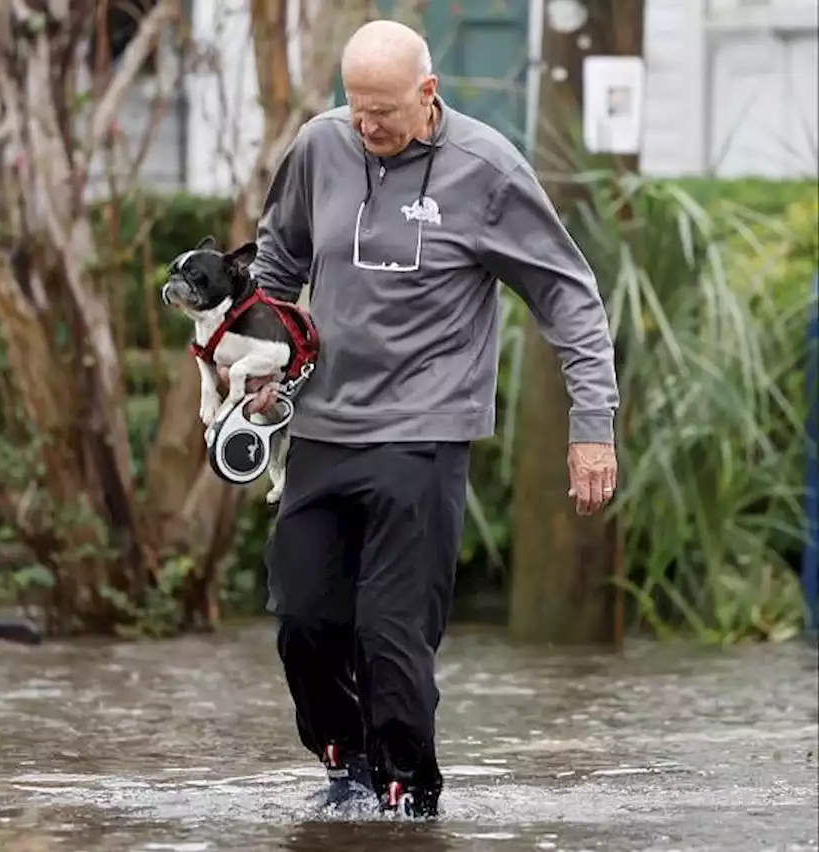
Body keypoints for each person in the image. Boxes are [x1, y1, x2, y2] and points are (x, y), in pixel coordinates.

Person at [231, 21, 621, 816]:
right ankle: (344, 762)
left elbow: (568, 295)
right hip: (321, 428)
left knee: (391, 634)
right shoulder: (319, 148)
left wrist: (593, 427)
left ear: (428, 94)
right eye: (355, 108)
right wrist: (257, 358)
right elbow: (276, 265)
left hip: (424, 435)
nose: (367, 126)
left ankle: (408, 793)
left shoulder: (486, 171)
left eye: (384, 110)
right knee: (304, 618)